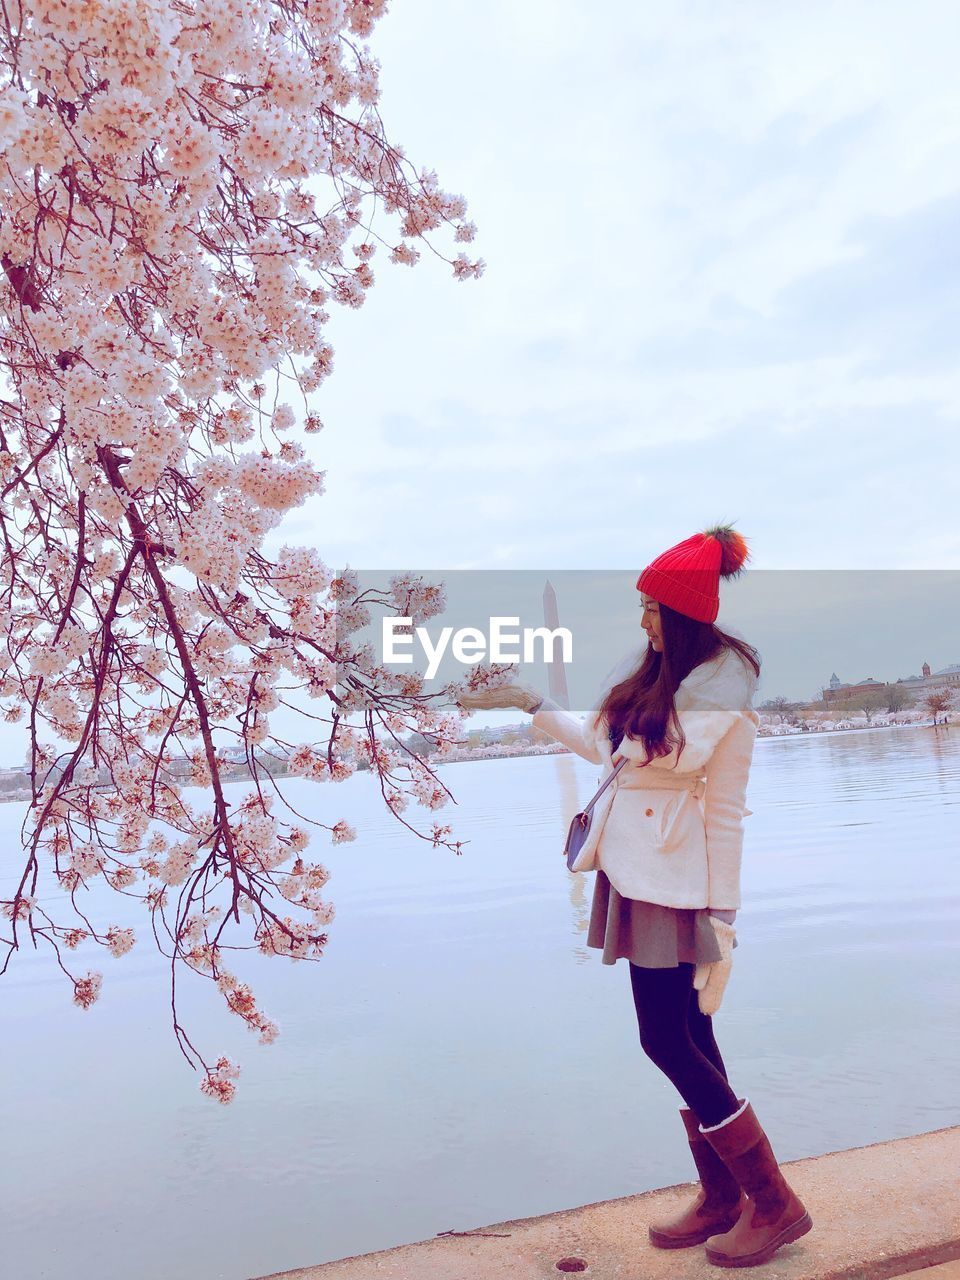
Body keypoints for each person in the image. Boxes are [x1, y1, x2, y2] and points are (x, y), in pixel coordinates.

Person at [458, 525, 812, 1269]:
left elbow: (723, 808)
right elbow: (605, 745)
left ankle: (774, 1204)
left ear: (681, 614)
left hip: (673, 883)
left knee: (664, 1038)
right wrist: (526, 699)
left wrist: (725, 917)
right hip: (637, 873)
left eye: (651, 607)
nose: (642, 620)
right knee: (692, 1039)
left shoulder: (721, 693)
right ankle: (724, 1198)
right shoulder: (659, 677)